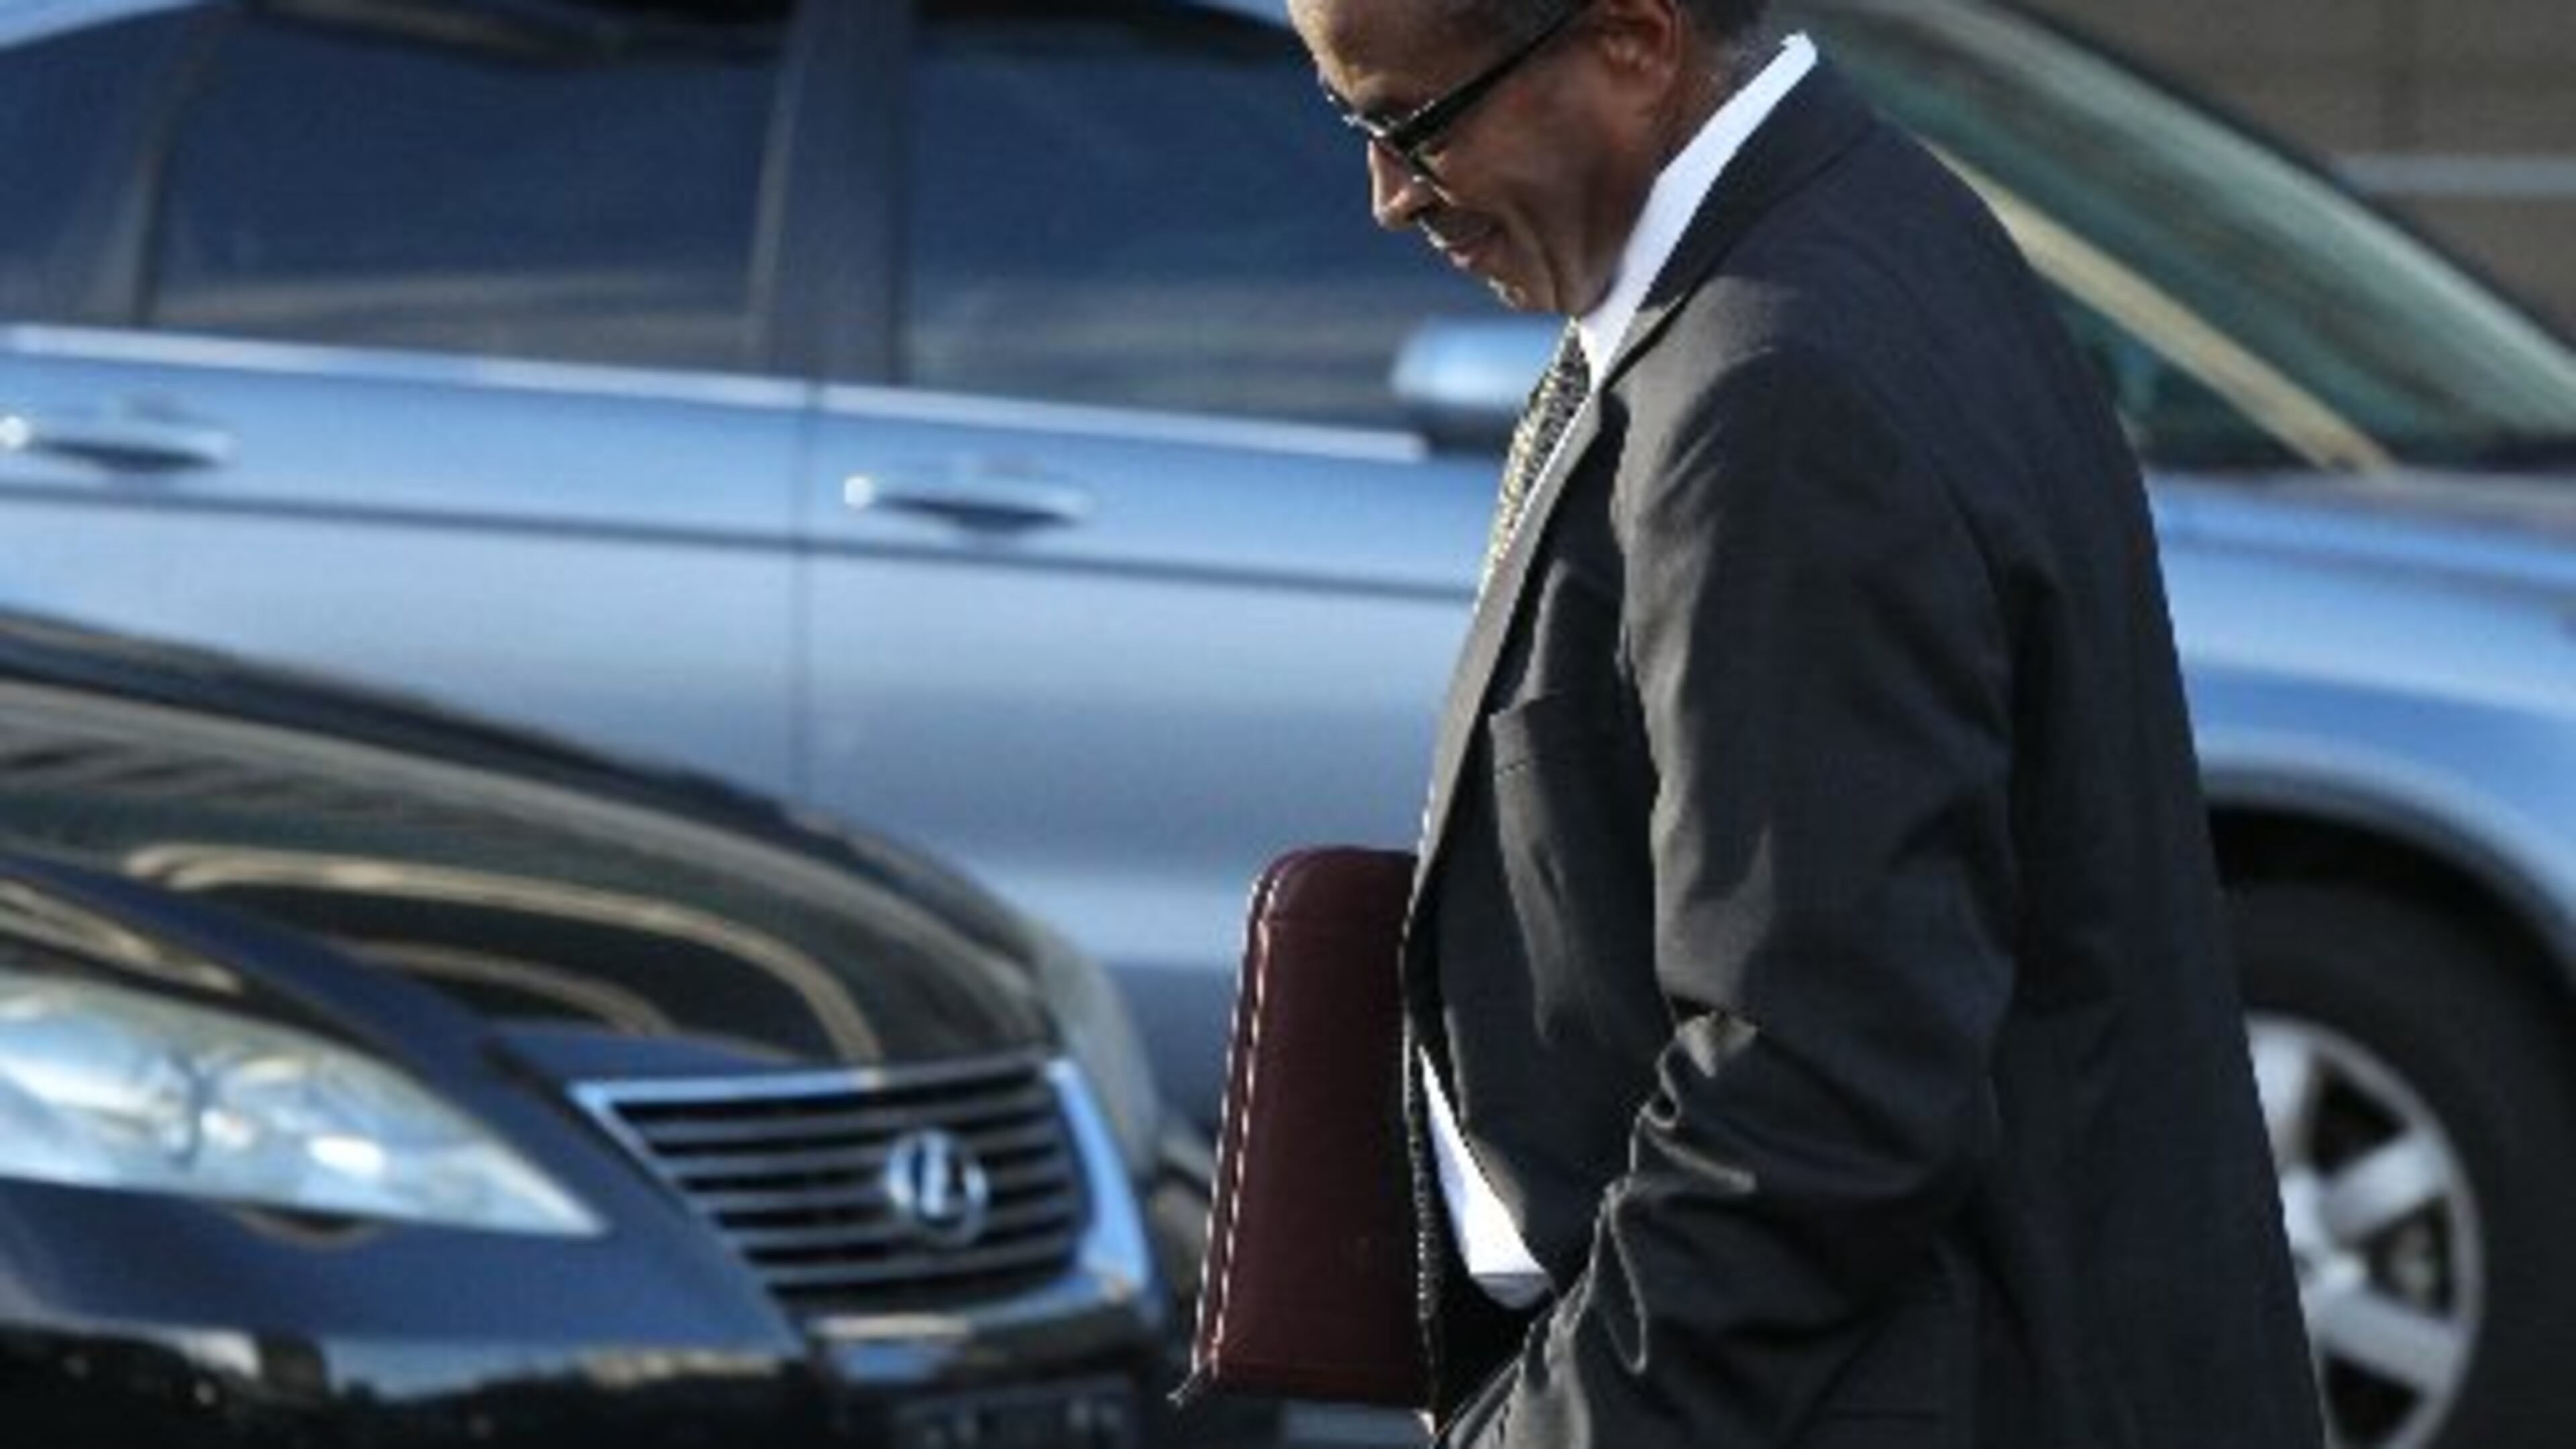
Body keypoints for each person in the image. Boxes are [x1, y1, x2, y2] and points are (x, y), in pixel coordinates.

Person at [1281, 0, 2327, 1445]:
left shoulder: (1774, 394)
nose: (1391, 195)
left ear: (1636, 41)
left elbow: (1817, 1086)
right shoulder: (1866, 226)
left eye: (1413, 124)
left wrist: (1561, 1428)